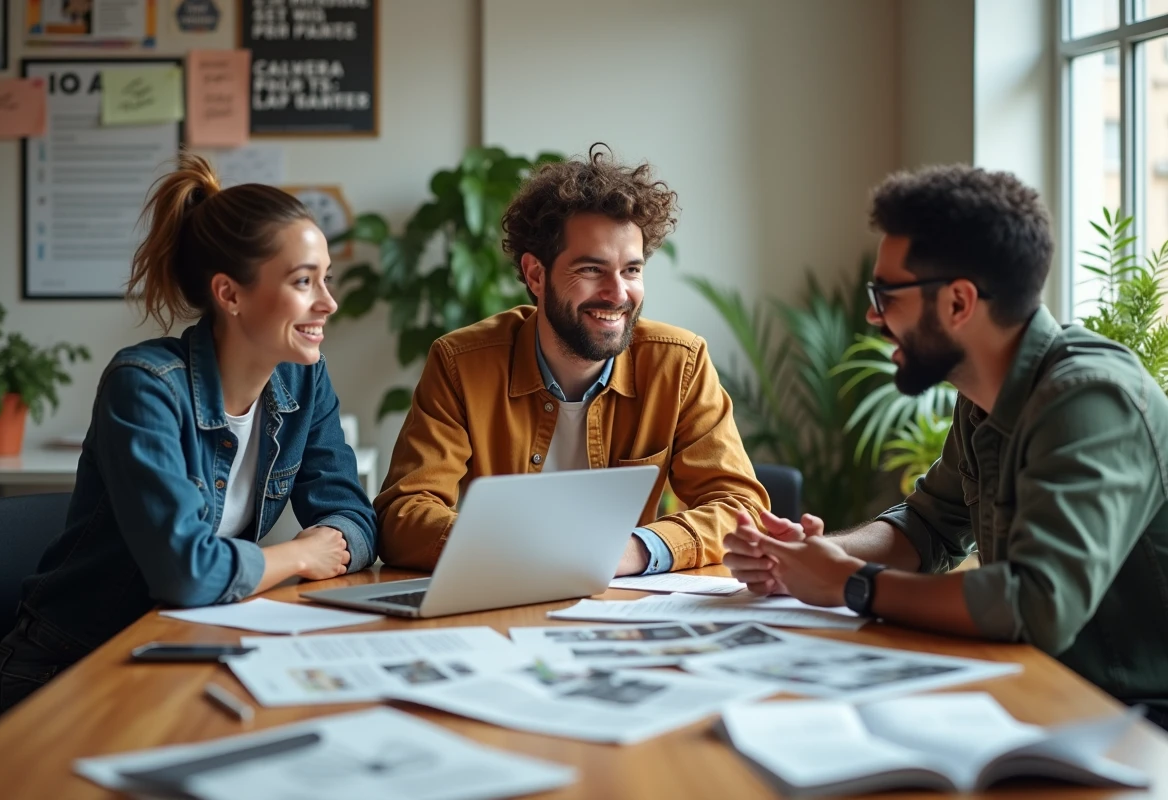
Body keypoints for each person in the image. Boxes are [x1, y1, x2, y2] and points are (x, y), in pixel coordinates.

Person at [724, 164, 1168, 729]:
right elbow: (928, 526)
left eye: (886, 294)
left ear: (959, 303)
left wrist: (850, 585)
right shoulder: (984, 393)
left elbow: (1038, 604)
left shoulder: (1091, 400)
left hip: (1134, 722)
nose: (872, 315)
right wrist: (809, 558)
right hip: (1038, 693)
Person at [0, 154, 377, 728]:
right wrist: (300, 555)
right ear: (230, 294)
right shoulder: (144, 386)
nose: (328, 303)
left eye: (326, 277)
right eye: (302, 281)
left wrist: (331, 539)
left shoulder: (303, 379)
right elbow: (186, 573)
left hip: (184, 653)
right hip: (65, 672)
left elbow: (354, 516)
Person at [375, 144, 768, 575]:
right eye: (591, 270)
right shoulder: (461, 364)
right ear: (536, 274)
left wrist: (631, 551)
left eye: (632, 270)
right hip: (506, 596)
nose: (618, 294)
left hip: (621, 598)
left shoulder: (679, 364)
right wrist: (516, 550)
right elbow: (403, 516)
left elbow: (740, 508)